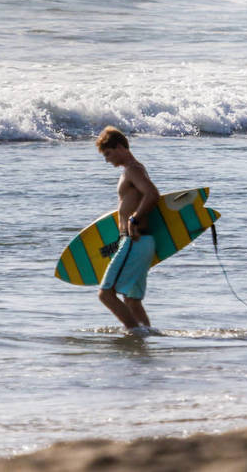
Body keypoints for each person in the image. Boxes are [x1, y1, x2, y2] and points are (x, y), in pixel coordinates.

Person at [95, 126, 161, 336]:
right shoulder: (133, 169)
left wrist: (134, 218)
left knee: (105, 294)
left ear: (121, 147)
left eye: (108, 153)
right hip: (140, 242)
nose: (107, 160)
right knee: (131, 300)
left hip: (135, 240)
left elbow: (152, 193)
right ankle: (146, 335)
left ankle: (135, 334)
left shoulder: (133, 169)